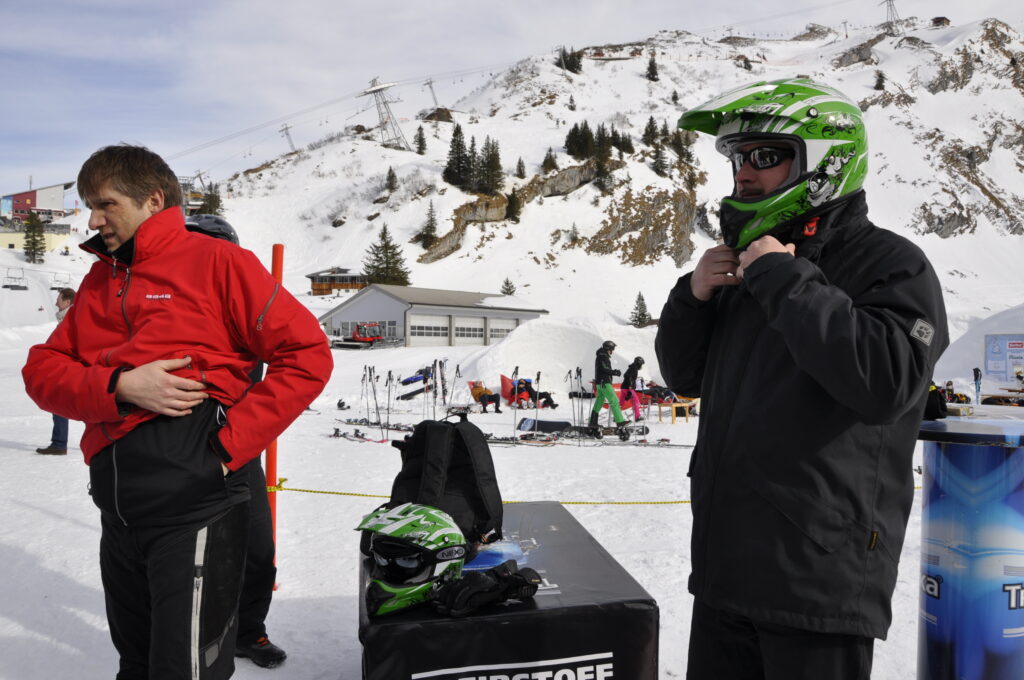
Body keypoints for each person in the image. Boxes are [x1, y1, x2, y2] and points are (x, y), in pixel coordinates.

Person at [655, 78, 947, 679]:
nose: (745, 173)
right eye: (738, 157)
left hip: (817, 585)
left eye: (766, 156)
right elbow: (685, 376)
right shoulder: (751, 266)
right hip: (724, 575)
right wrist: (694, 296)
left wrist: (786, 282)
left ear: (824, 164)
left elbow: (887, 382)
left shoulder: (891, 263)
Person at [22, 144, 333, 680]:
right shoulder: (101, 280)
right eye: (88, 206)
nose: (93, 220)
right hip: (119, 512)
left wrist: (224, 448)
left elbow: (307, 355)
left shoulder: (220, 263)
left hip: (196, 506)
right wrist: (120, 386)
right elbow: (42, 371)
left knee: (184, 670)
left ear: (153, 199)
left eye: (105, 204)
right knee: (136, 664)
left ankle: (250, 629)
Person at [184, 214, 286, 669]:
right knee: (193, 560)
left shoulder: (249, 308)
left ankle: (248, 632)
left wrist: (253, 425)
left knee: (257, 549)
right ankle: (194, 639)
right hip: (184, 454)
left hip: (240, 451)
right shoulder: (169, 312)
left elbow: (294, 360)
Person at [36, 287, 76, 455]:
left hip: (70, 367)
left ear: (67, 302)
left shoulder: (70, 318)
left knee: (61, 403)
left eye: (58, 299)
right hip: (67, 366)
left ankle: (59, 444)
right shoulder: (67, 317)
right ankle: (59, 443)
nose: (55, 303)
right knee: (62, 404)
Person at [589, 340, 627, 434]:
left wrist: (612, 372)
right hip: (604, 382)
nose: (612, 351)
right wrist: (614, 372)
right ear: (608, 348)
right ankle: (620, 422)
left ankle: (593, 422)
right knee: (614, 401)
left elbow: (602, 368)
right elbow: (603, 368)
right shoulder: (603, 356)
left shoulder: (601, 355)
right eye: (612, 349)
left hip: (600, 382)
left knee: (599, 402)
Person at [620, 356, 645, 422]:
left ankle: (616, 416)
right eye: (641, 364)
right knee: (636, 402)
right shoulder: (634, 369)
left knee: (621, 403)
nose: (641, 366)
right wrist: (630, 388)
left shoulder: (632, 368)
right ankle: (637, 417)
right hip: (628, 388)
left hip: (623, 387)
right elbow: (629, 377)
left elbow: (626, 375)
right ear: (639, 363)